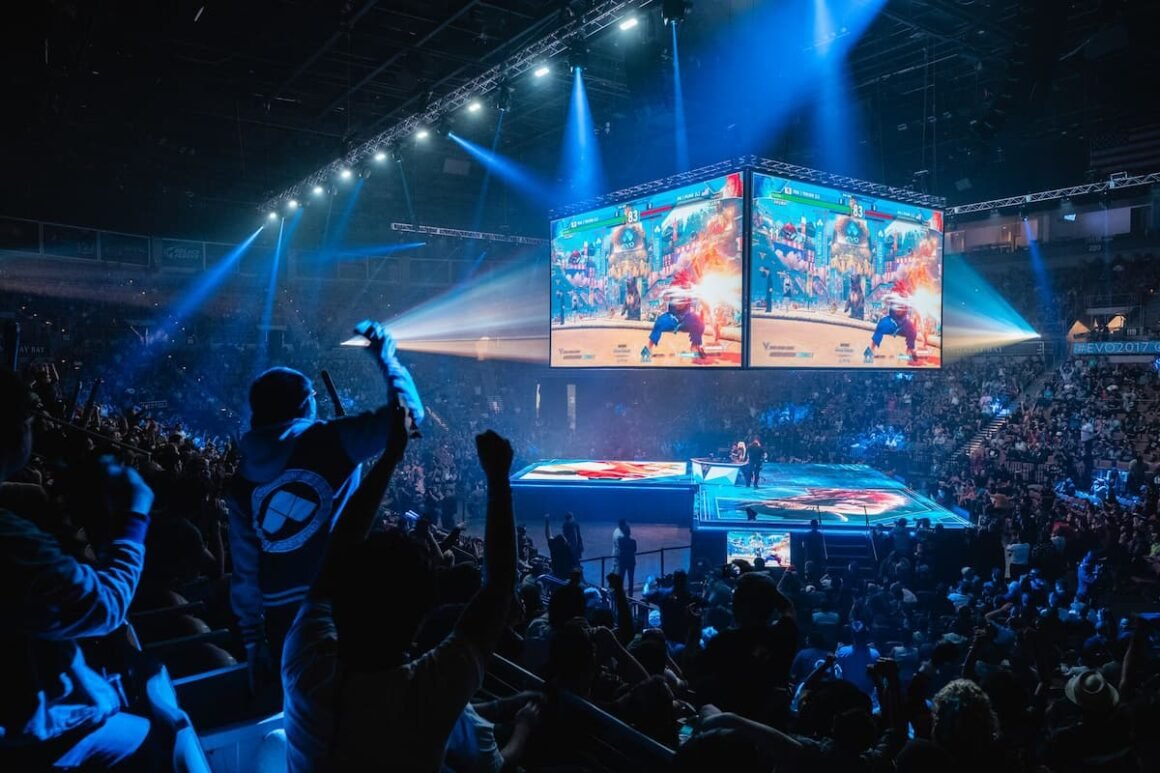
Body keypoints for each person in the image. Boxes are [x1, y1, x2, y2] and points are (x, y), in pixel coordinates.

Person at [281, 384, 518, 770]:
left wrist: (391, 456)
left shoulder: (304, 661)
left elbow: (338, 552)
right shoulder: (425, 694)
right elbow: (500, 586)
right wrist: (499, 477)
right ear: (422, 616)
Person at [227, 320, 424, 692]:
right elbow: (410, 418)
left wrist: (253, 642)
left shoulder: (241, 480)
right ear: (305, 404)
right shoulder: (331, 439)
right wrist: (388, 359)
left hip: (282, 618)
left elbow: (245, 570)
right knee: (362, 702)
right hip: (342, 601)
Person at [0, 368, 161, 769]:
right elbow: (103, 607)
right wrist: (134, 517)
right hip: (28, 736)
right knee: (166, 737)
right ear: (15, 431)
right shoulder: (9, 538)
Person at [640, 280, 706, 362]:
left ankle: (695, 346)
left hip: (686, 318)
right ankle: (648, 348)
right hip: (672, 317)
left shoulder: (688, 290)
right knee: (659, 322)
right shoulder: (674, 289)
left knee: (699, 323)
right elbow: (672, 301)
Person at [864, 293, 919, 365]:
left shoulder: (906, 306)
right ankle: (872, 348)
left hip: (903, 323)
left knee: (912, 329)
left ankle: (909, 351)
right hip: (891, 321)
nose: (899, 309)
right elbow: (886, 301)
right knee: (882, 324)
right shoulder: (893, 300)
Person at [612, 519, 638, 594]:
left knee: (621, 578)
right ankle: (630, 594)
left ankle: (620, 593)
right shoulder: (633, 541)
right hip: (631, 562)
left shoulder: (620, 540)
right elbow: (635, 550)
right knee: (631, 579)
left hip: (623, 562)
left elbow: (620, 548)